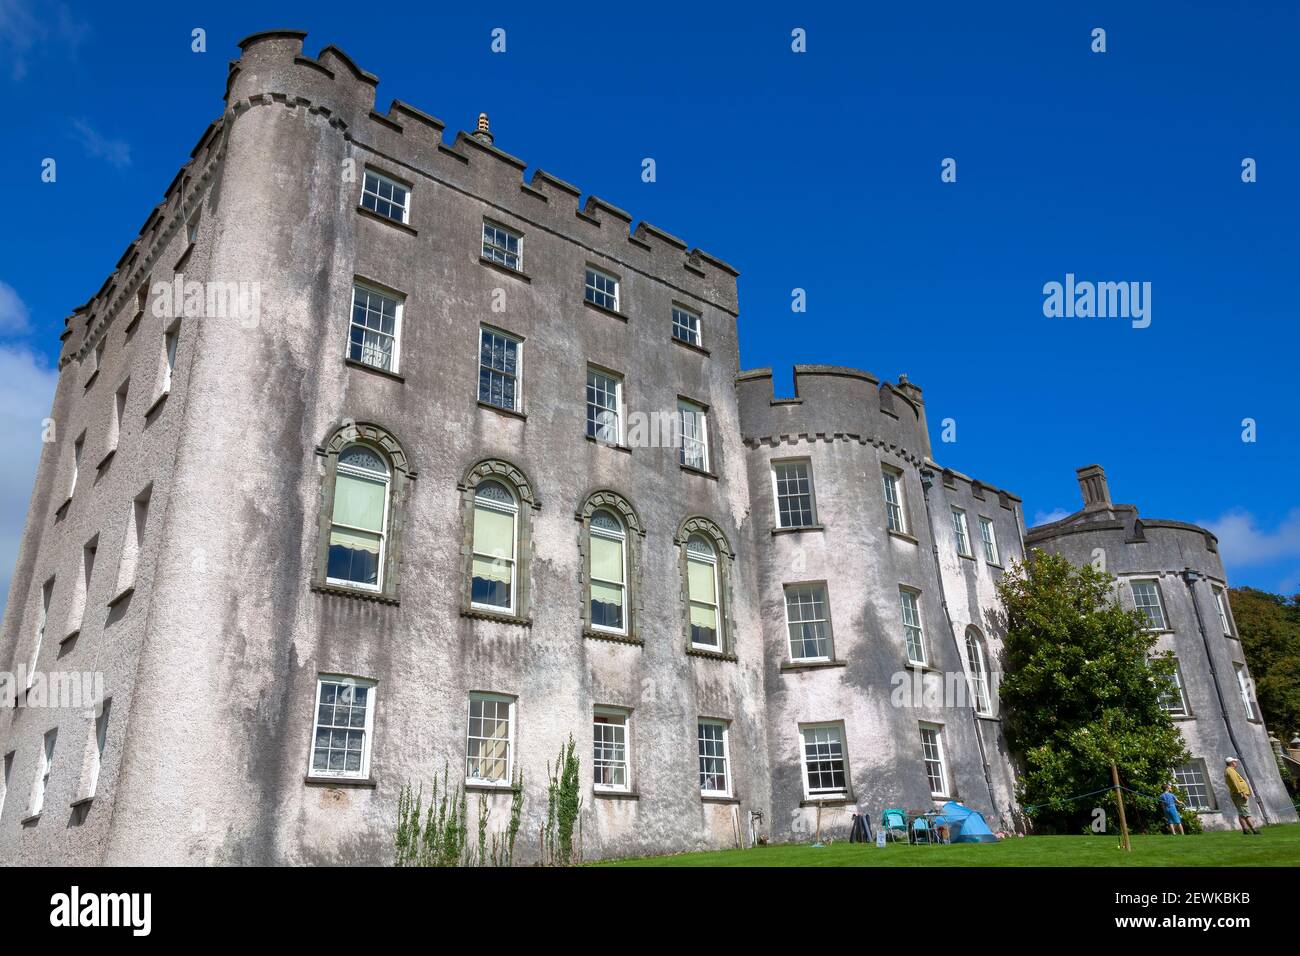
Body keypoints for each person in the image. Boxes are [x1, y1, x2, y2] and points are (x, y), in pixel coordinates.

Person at [1224, 757, 1261, 835]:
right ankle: (1254, 830)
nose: (1236, 763)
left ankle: (1246, 830)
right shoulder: (1230, 771)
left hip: (1236, 794)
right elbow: (1235, 782)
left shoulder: (1230, 770)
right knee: (1246, 813)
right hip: (1239, 794)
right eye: (1234, 762)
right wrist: (1242, 793)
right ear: (1231, 763)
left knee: (1241, 813)